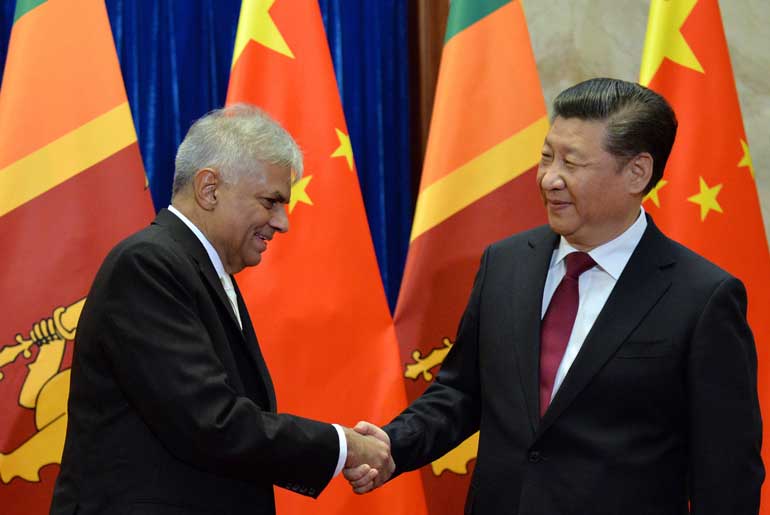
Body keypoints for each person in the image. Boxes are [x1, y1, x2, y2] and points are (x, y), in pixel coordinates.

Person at [345, 78, 764, 514]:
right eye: (546, 157)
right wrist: (393, 442)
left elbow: (727, 470)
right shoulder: (505, 264)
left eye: (572, 162)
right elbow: (462, 393)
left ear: (637, 172)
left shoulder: (702, 296)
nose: (550, 178)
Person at [50, 105, 391, 515]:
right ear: (209, 188)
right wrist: (343, 445)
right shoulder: (147, 265)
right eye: (271, 201)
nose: (282, 222)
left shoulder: (200, 269)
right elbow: (211, 424)